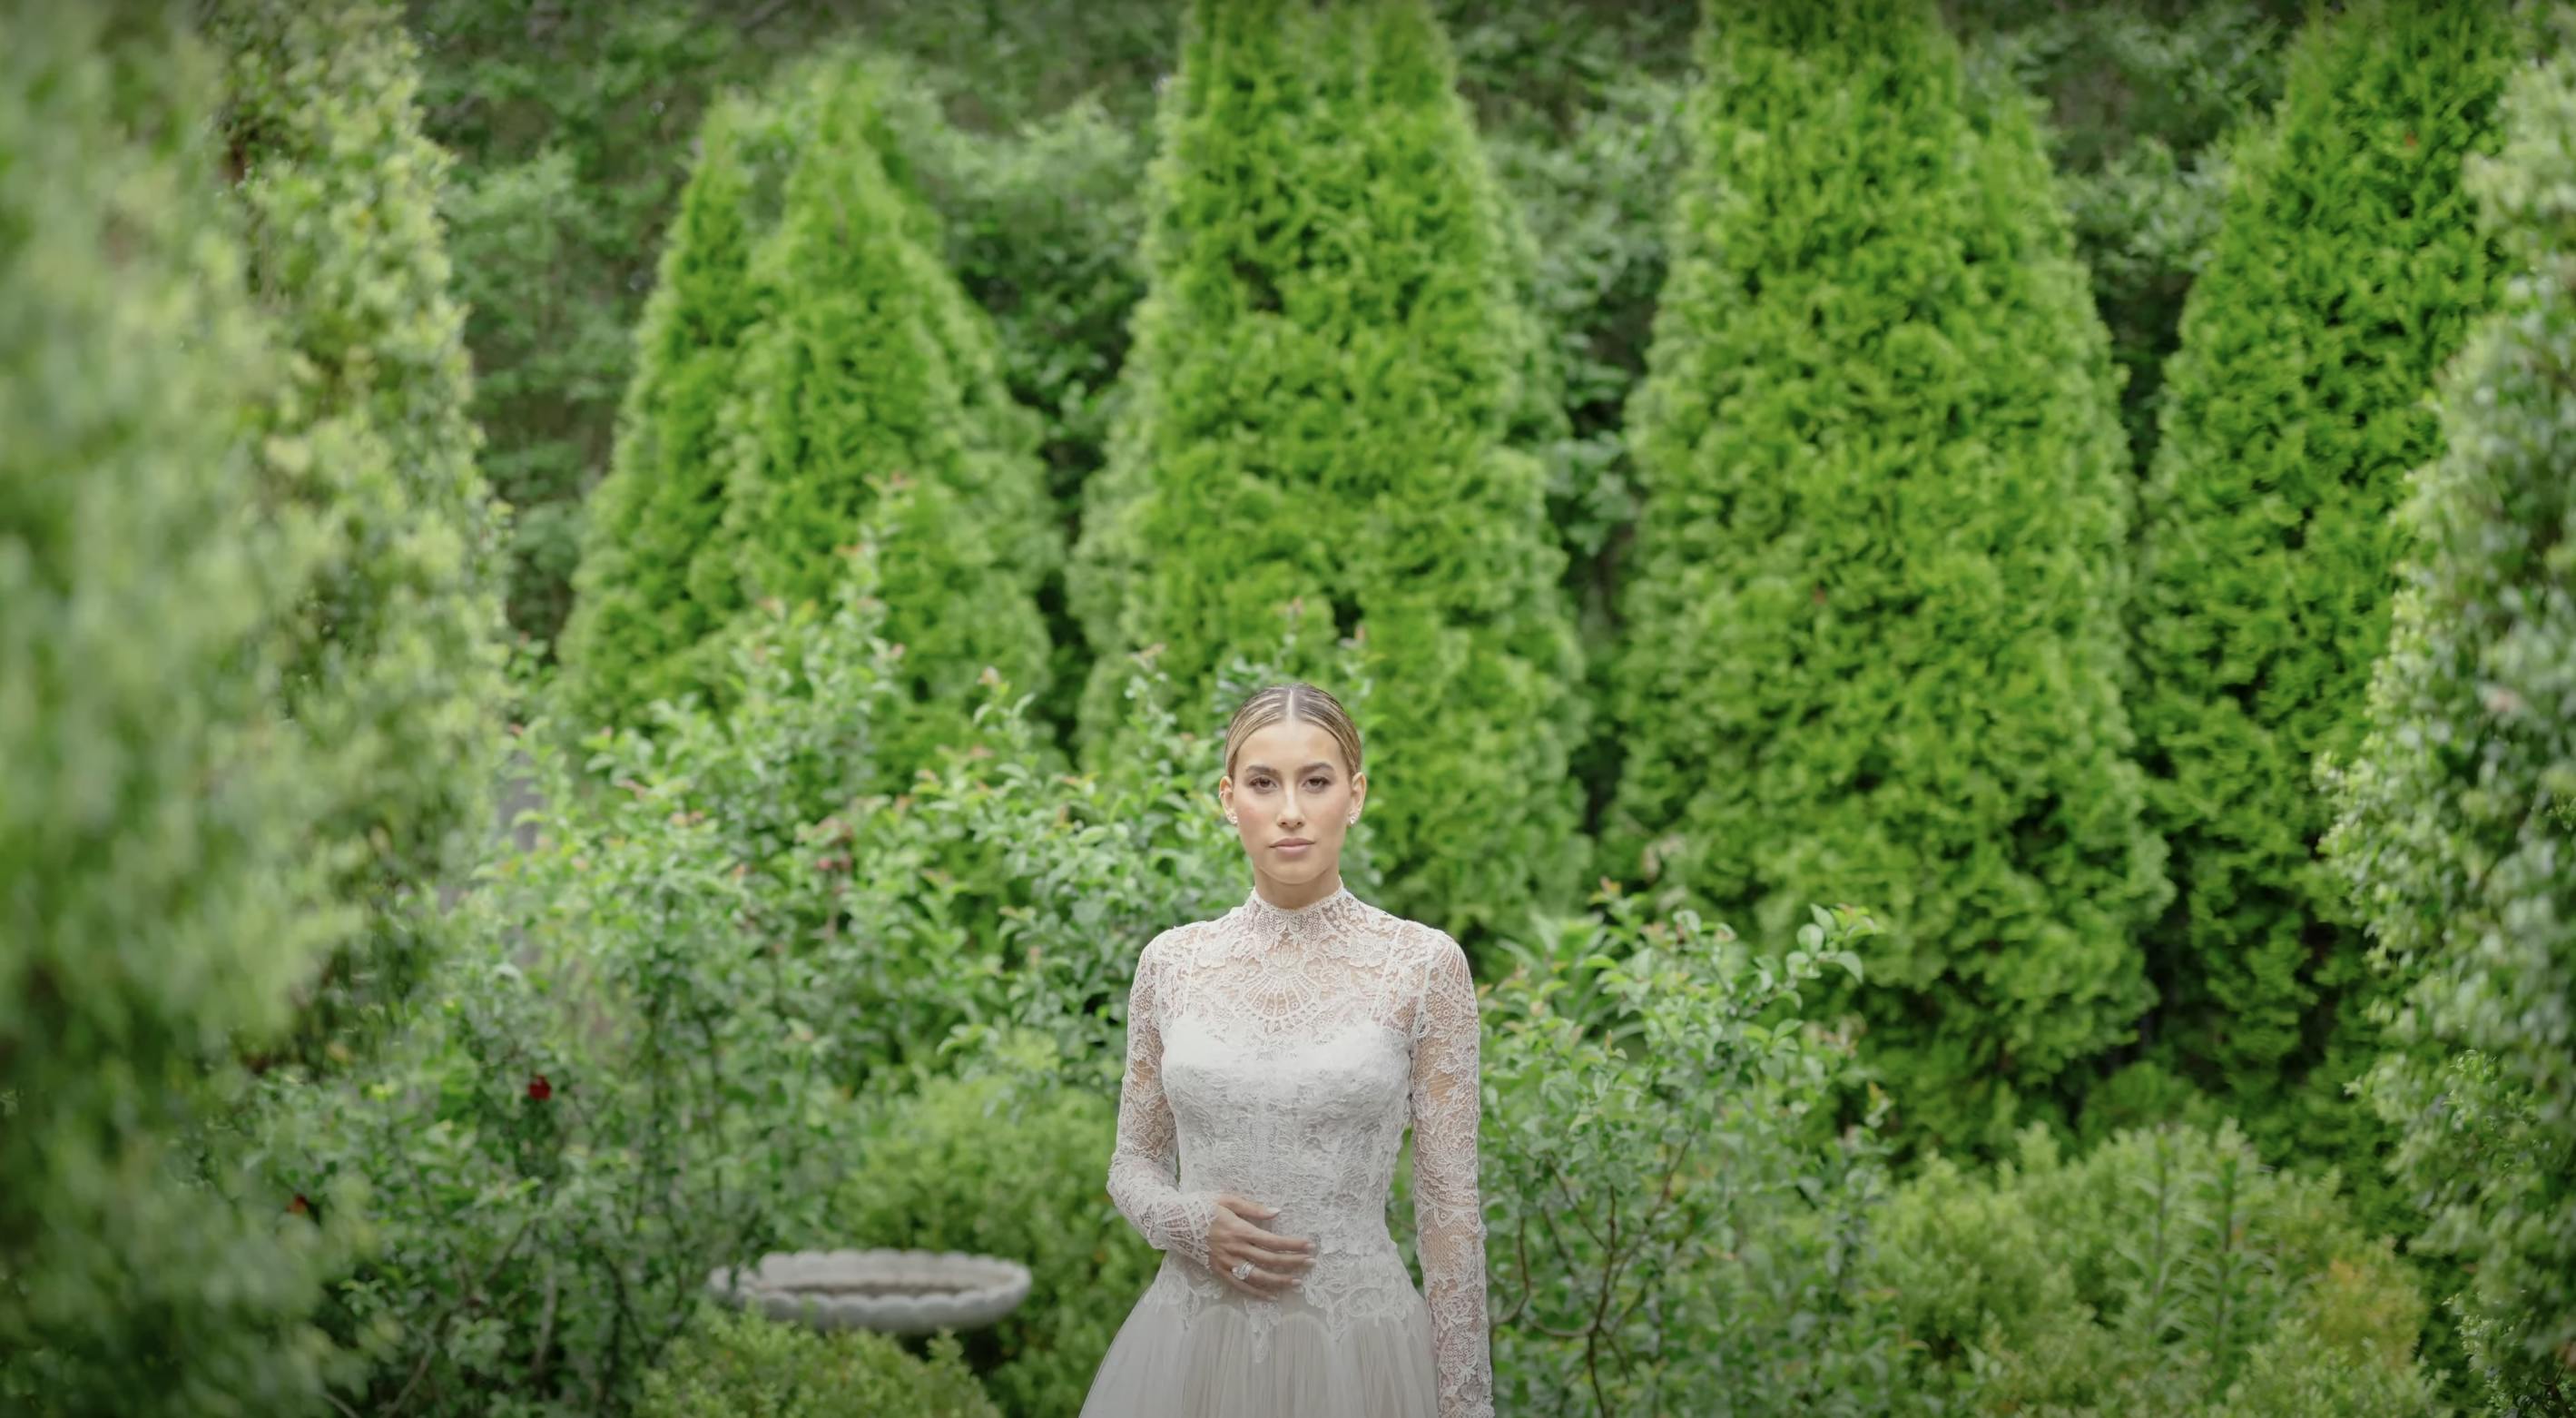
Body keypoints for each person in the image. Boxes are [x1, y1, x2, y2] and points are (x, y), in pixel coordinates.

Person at [1078, 682, 1494, 1418]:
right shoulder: (1172, 963)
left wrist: (1466, 1405)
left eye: (1317, 781)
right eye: (1264, 783)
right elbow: (1132, 1163)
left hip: (1359, 1356)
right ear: (1228, 797)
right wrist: (1183, 1221)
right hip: (1189, 1353)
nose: (1292, 810)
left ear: (1356, 795)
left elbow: (1449, 1208)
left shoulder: (1424, 965)